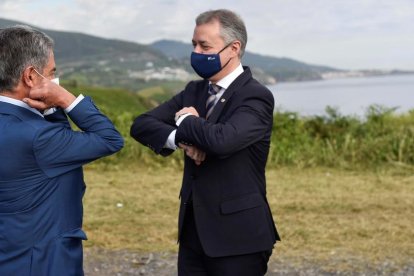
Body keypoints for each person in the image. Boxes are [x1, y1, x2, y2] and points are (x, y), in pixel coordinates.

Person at [131, 9, 280, 275]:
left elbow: (223, 140)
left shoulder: (255, 96)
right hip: (193, 234)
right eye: (194, 45)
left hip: (238, 239)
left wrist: (187, 120)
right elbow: (141, 125)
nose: (196, 53)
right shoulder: (194, 90)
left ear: (234, 48)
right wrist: (181, 138)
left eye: (205, 46)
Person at [0, 26, 124, 275]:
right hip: (41, 261)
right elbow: (109, 138)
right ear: (31, 77)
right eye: (51, 73)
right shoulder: (38, 137)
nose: (54, 79)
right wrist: (65, 100)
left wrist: (49, 109)